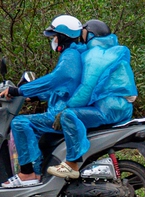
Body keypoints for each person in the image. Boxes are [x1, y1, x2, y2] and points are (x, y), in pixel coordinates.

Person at [45, 19, 137, 180]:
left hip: (109, 108)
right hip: (119, 107)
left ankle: (71, 164)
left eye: (84, 33)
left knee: (69, 116)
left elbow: (86, 88)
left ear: (90, 34)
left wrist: (66, 108)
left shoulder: (96, 55)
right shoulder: (109, 50)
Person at [0, 14, 84, 188]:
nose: (52, 40)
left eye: (54, 37)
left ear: (63, 36)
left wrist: (20, 90)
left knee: (19, 122)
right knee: (30, 125)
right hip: (63, 107)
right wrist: (36, 96)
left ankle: (28, 173)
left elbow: (53, 80)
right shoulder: (74, 55)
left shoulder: (71, 56)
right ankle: (40, 169)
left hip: (59, 113)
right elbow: (61, 89)